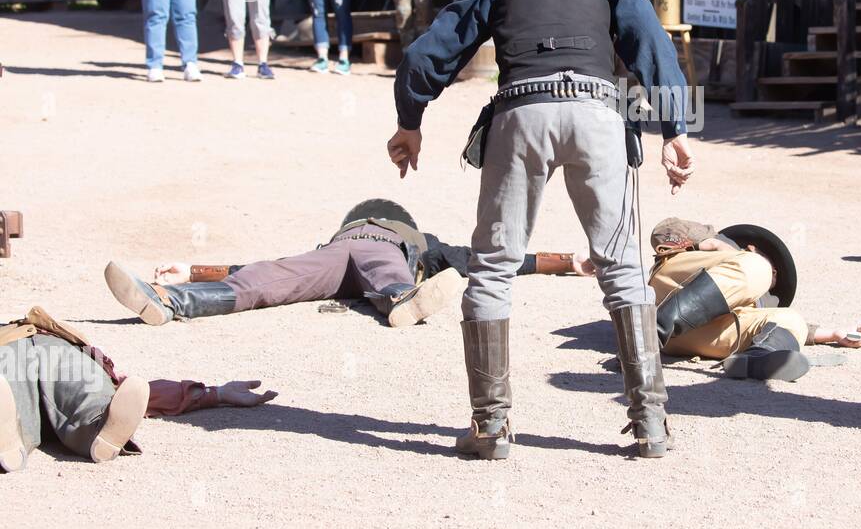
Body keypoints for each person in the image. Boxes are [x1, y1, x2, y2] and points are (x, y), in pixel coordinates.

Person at [388, 0, 696, 460]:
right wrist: (675, 129)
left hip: (522, 114)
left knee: (493, 269)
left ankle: (491, 429)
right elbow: (653, 47)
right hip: (598, 113)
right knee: (622, 267)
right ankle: (651, 423)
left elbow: (431, 51)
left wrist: (410, 120)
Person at [102, 198, 590, 330]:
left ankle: (400, 298)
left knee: (267, 278)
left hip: (350, 261)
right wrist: (189, 270)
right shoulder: (415, 240)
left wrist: (567, 260)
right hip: (340, 260)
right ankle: (167, 301)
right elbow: (486, 259)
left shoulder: (417, 241)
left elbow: (488, 259)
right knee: (265, 279)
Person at [0, 306, 275, 473]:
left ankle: (102, 431)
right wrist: (213, 394)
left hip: (58, 355)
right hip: (24, 352)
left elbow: (133, 394)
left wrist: (215, 393)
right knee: (84, 395)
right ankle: (91, 431)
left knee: (93, 397)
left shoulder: (77, 352)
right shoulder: (74, 349)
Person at [650, 219, 861, 382]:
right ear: (752, 248)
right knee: (758, 269)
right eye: (774, 273)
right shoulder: (721, 244)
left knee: (791, 318)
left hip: (687, 336)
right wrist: (713, 243)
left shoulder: (754, 293)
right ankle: (645, 337)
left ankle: (756, 359)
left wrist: (835, 334)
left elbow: (786, 325)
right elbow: (661, 232)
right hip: (668, 289)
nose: (769, 287)